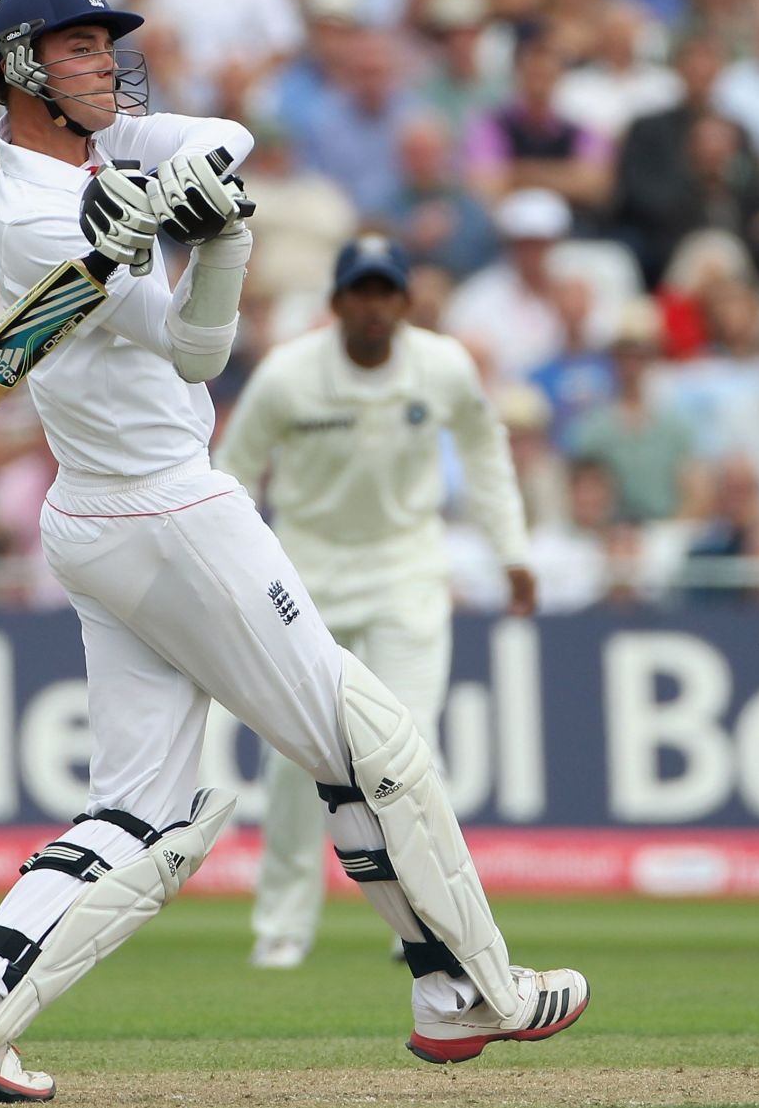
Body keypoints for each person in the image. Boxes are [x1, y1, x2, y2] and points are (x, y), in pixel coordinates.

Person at [0, 0, 585, 1105]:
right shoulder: (30, 213)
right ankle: (472, 988)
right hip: (171, 512)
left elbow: (200, 341)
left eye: (109, 47)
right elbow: (92, 269)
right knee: (372, 744)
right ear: (19, 70)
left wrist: (198, 222)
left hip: (105, 516)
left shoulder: (102, 162)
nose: (108, 65)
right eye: (77, 49)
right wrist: (118, 233)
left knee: (145, 810)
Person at [215, 235, 535, 970]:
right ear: (336, 303)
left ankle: (422, 919)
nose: (373, 307)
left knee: (407, 745)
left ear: (404, 302)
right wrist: (230, 578)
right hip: (305, 577)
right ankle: (284, 925)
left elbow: (485, 454)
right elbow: (231, 475)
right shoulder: (289, 375)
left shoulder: (443, 365)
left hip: (406, 569)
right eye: (359, 292)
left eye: (385, 293)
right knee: (301, 755)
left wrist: (510, 549)